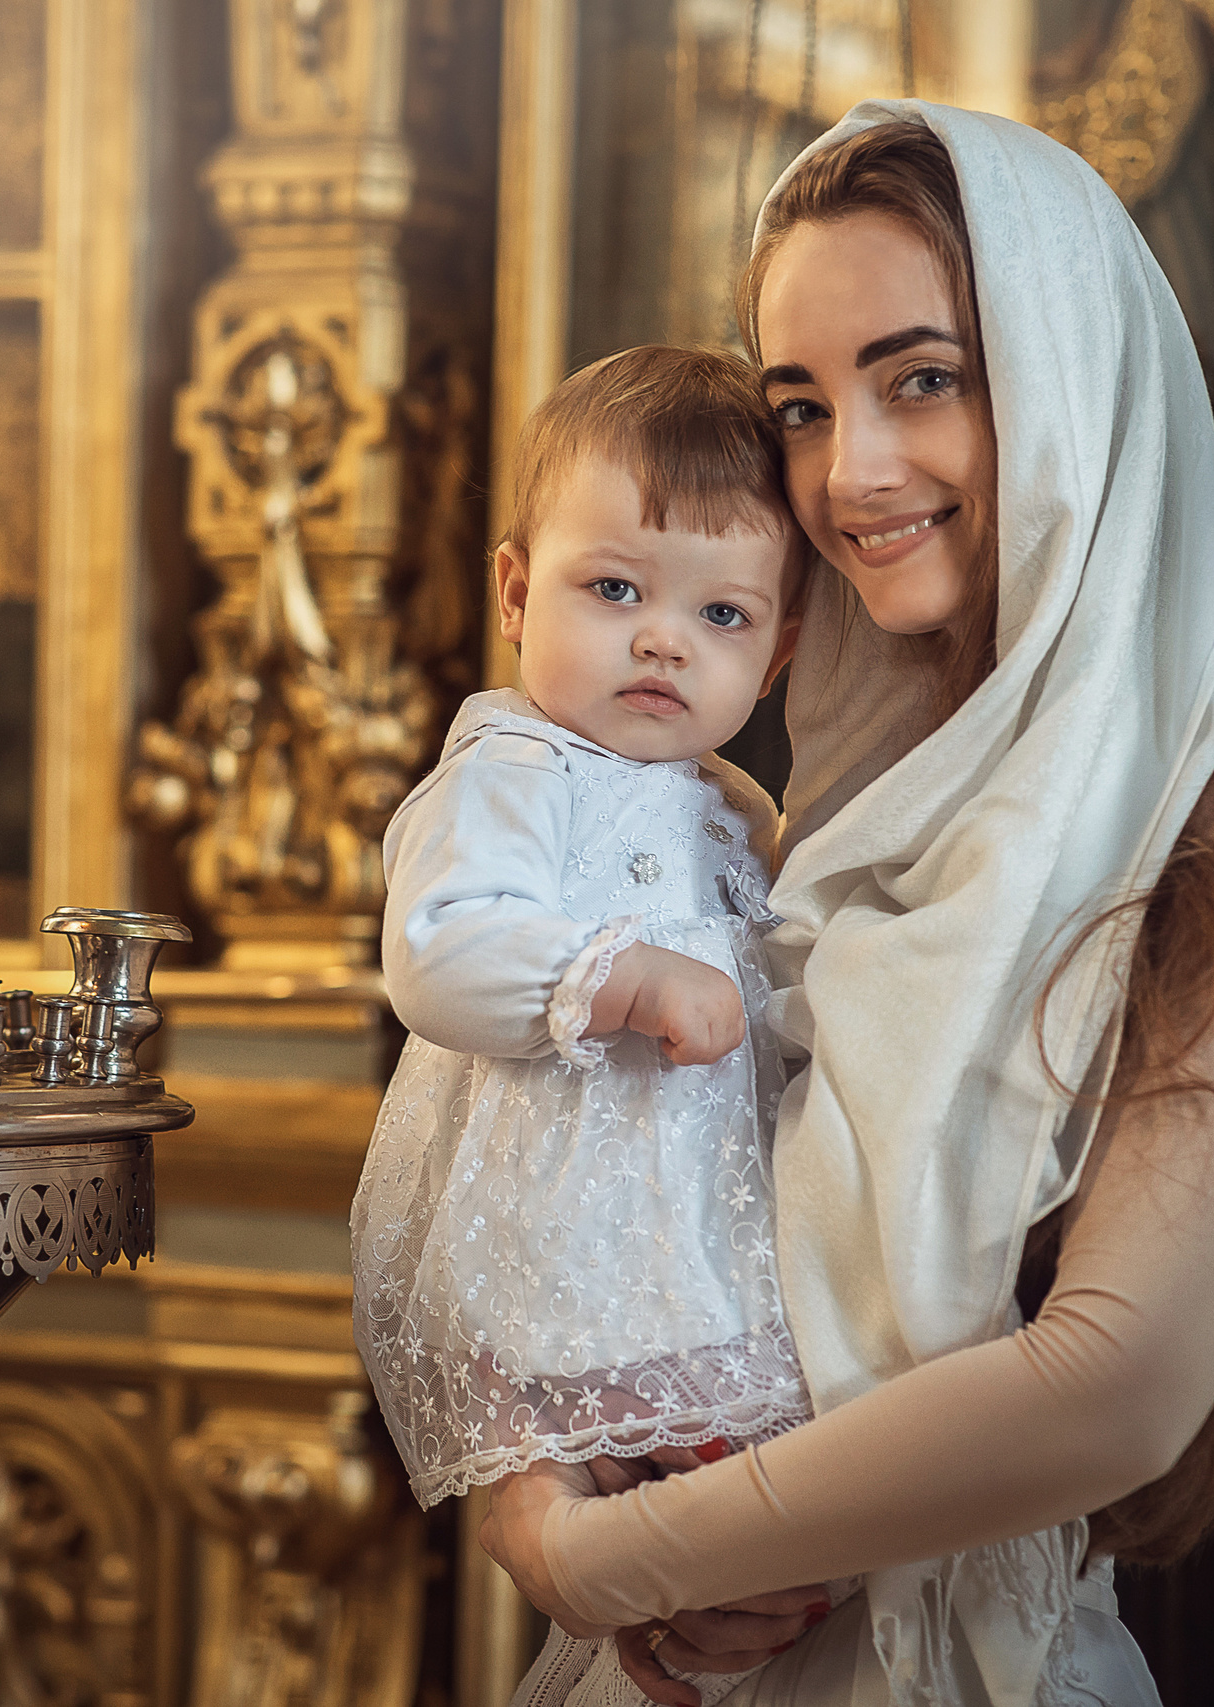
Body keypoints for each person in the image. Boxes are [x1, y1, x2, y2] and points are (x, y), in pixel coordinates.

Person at [476, 103, 1214, 1707]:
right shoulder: (801, 780)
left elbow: (1110, 1387)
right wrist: (537, 1501)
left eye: (925, 378)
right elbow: (574, 1196)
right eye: (800, 404)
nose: (854, 470)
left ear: (1069, 374)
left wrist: (630, 1556)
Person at [352, 346, 828, 1706]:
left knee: (725, 1542)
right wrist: (619, 983)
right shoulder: (513, 767)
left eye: (723, 615)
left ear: (781, 649)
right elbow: (439, 951)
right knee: (629, 1525)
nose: (664, 639)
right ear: (517, 590)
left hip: (700, 1236)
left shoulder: (735, 808)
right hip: (554, 1226)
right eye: (614, 590)